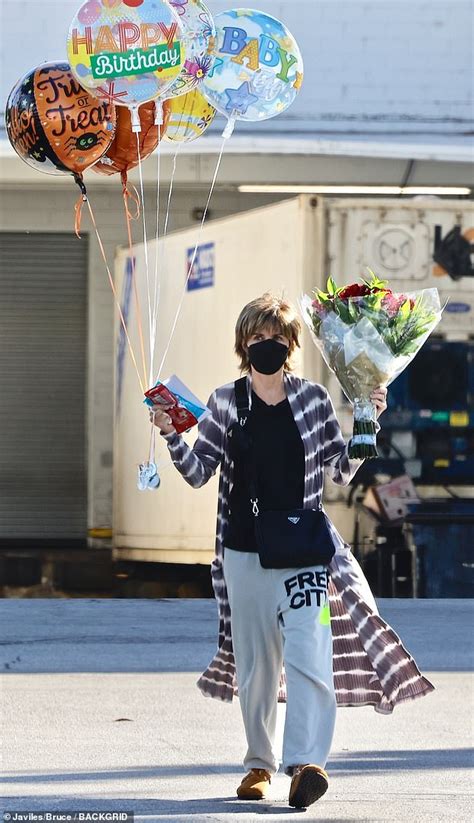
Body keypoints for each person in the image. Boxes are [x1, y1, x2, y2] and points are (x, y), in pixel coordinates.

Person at [149, 293, 435, 810]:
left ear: (292, 345)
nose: (266, 347)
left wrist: (368, 418)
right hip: (243, 552)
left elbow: (342, 469)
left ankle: (306, 764)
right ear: (243, 344)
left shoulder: (313, 400)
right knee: (257, 668)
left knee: (310, 655)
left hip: (304, 550)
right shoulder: (224, 402)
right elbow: (197, 474)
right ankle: (259, 764)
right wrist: (172, 435)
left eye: (276, 339)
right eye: (257, 339)